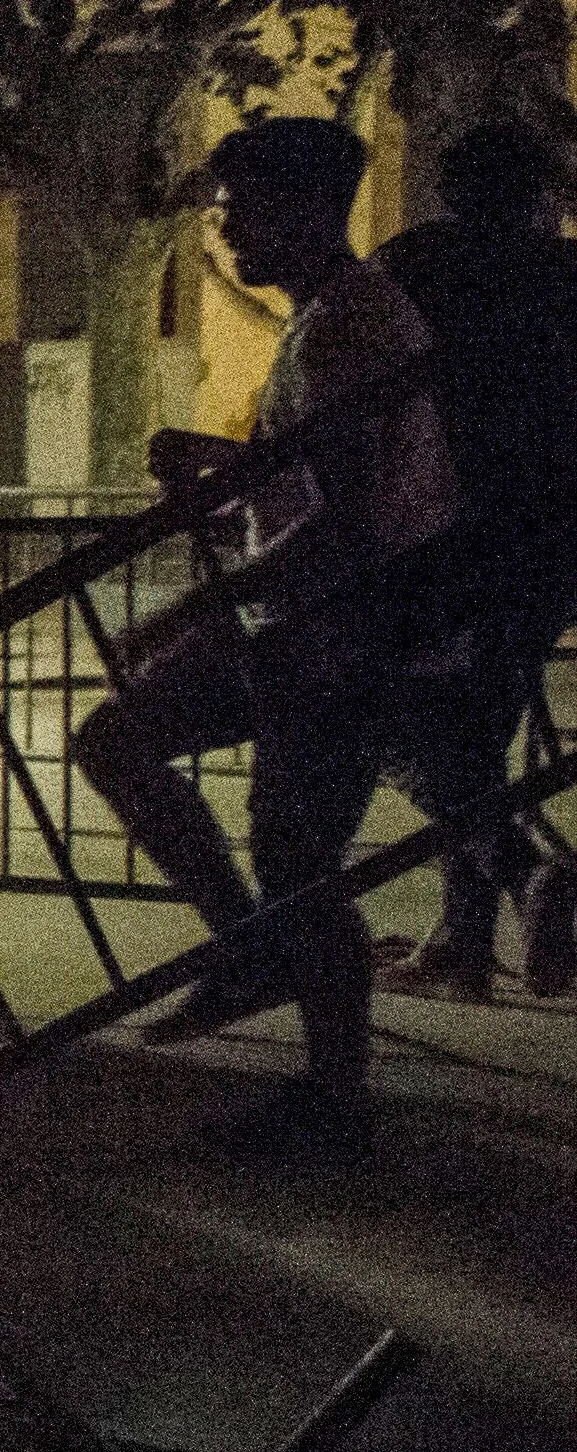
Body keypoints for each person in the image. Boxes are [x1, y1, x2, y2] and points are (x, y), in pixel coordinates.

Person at [69, 115, 463, 1161]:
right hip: (313, 625)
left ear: (297, 210)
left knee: (292, 847)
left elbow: (346, 518)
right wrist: (221, 458)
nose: (224, 226)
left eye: (238, 207)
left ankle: (330, 1083)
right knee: (138, 752)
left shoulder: (346, 327)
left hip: (346, 632)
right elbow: (322, 471)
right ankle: (256, 958)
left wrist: (191, 609)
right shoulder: (332, 317)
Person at [372, 120, 577, 1003]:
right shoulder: (565, 273)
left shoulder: (416, 263)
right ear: (539, 196)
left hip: (443, 533)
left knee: (391, 719)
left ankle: (520, 873)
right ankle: (464, 937)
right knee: (473, 732)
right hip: (551, 542)